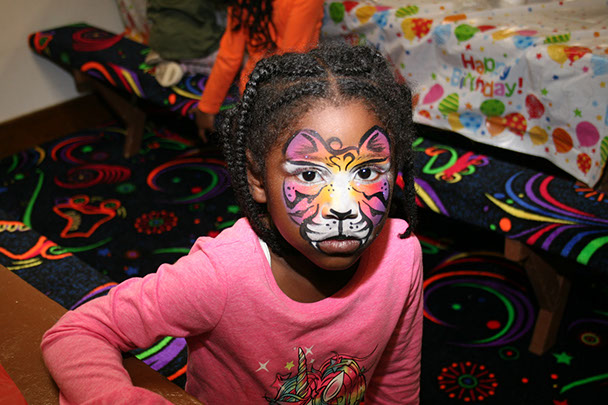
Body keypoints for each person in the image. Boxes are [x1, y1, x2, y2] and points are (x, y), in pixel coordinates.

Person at [41, 42, 423, 404]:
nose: (343, 206)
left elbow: (397, 379)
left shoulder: (402, 257)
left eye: (367, 172)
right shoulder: (221, 274)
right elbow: (77, 332)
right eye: (308, 175)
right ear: (257, 179)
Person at [192, 0, 325, 142]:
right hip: (284, 103)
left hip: (252, 94)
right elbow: (290, 64)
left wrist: (207, 107)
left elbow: (229, 57)